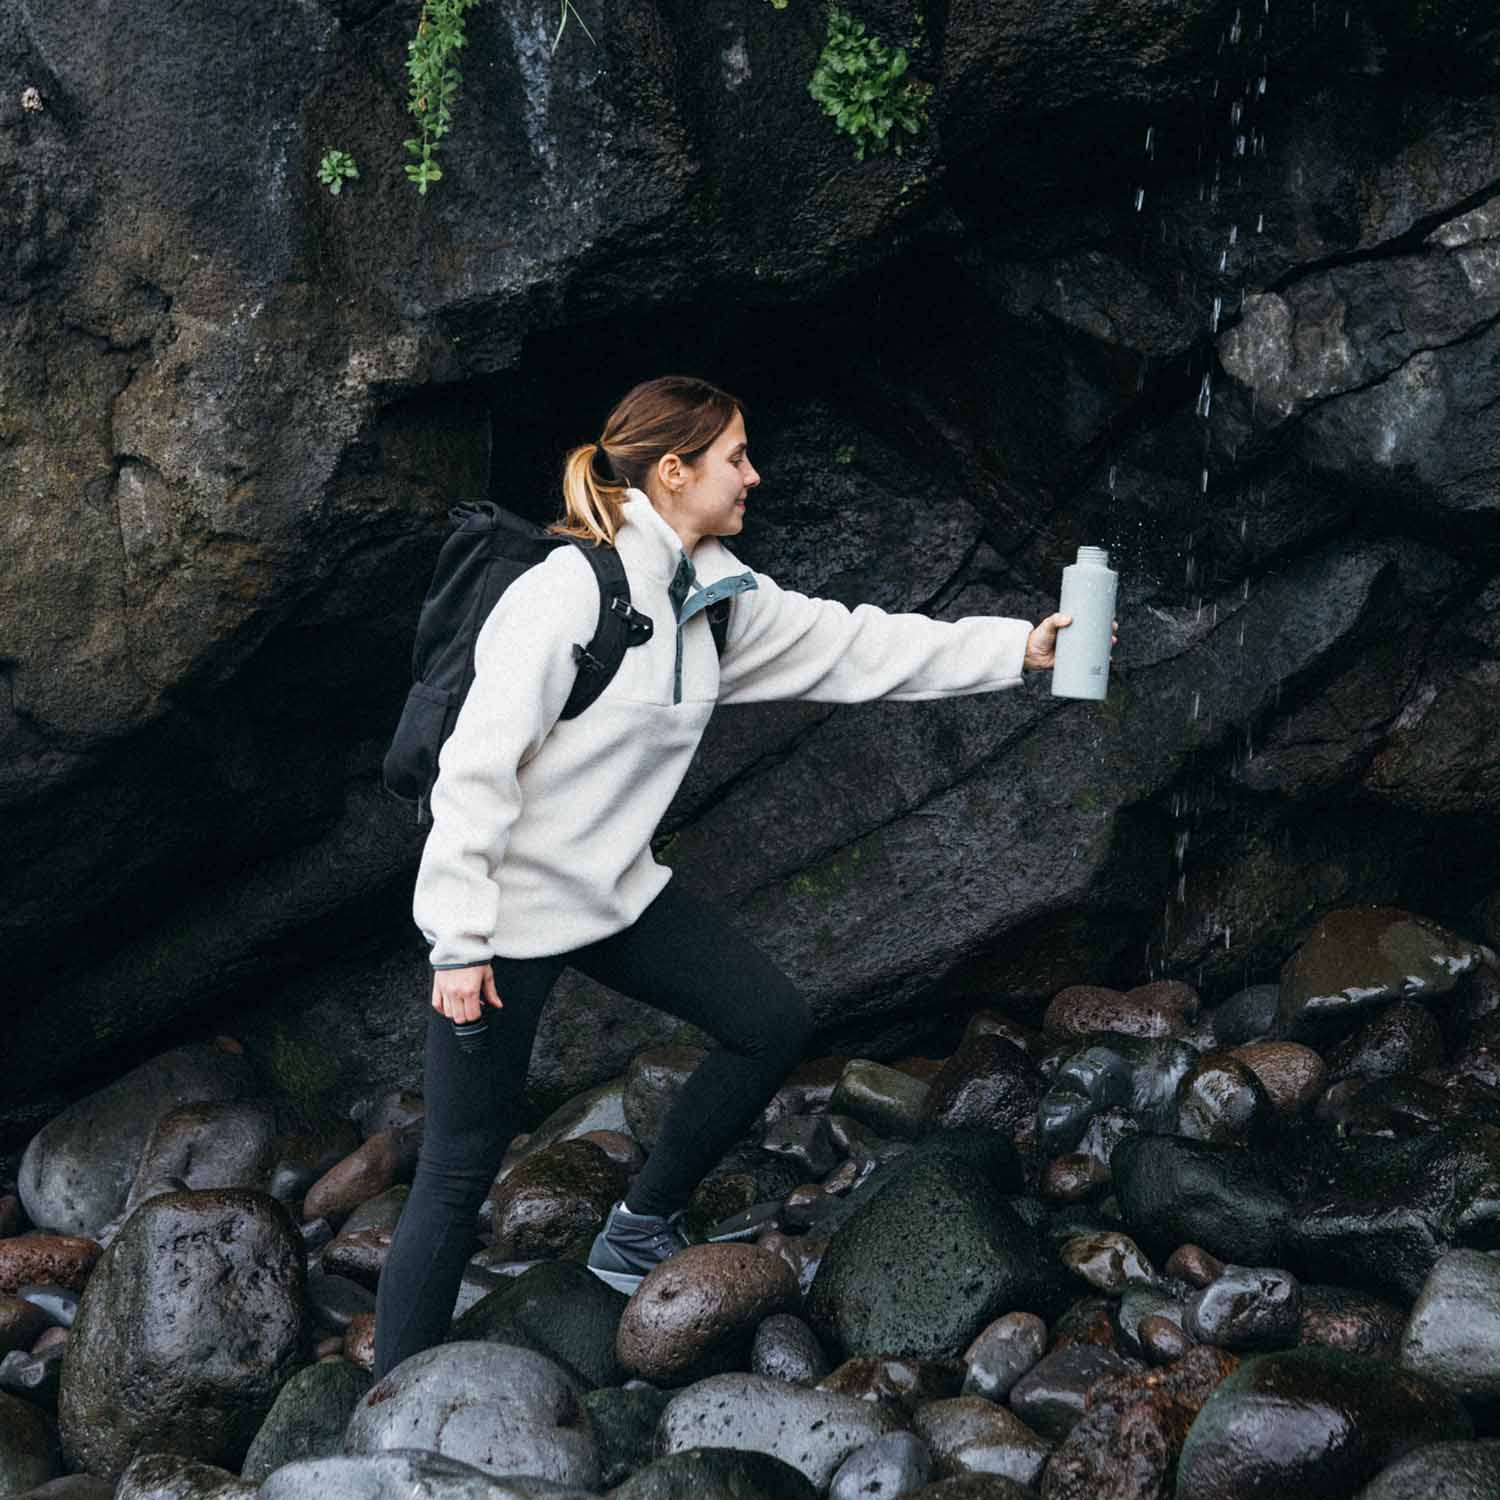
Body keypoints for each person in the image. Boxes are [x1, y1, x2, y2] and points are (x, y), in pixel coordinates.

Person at [372, 375, 1109, 1379]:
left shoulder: (714, 600)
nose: (754, 475)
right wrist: (458, 943)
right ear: (674, 472)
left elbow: (856, 645)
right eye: (736, 457)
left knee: (768, 1021)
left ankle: (637, 1229)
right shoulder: (565, 593)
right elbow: (475, 769)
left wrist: (1018, 647)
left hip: (613, 895)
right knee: (459, 1168)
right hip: (502, 918)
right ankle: (389, 1408)